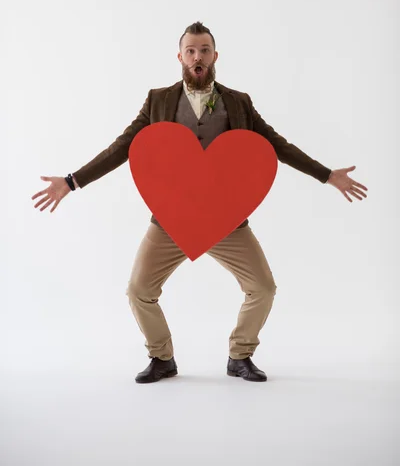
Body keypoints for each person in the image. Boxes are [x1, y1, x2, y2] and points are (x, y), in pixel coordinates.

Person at [32, 21, 368, 383]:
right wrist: (72, 181)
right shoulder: (158, 100)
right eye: (191, 51)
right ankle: (162, 358)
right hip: (171, 219)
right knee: (139, 291)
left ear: (215, 56)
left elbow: (277, 145)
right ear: (180, 56)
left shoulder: (239, 103)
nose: (197, 57)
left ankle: (240, 355)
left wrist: (327, 174)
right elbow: (123, 148)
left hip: (226, 220)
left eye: (204, 50)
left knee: (263, 288)